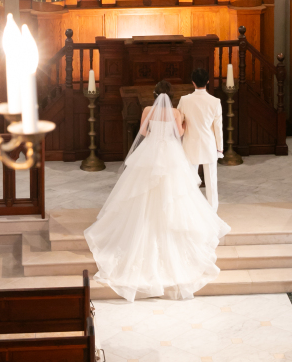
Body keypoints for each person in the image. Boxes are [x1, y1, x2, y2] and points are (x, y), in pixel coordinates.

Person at [84, 81, 229, 301]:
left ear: (155, 94)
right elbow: (180, 133)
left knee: (141, 191)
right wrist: (181, 126)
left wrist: (154, 131)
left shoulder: (146, 110)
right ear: (171, 96)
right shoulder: (176, 112)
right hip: (171, 153)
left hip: (150, 151)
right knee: (175, 194)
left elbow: (142, 131)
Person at [177, 68, 224, 212]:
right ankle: (212, 211)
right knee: (211, 181)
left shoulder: (185, 100)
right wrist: (220, 148)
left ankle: (192, 210)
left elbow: (179, 121)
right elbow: (218, 128)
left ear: (193, 82)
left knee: (190, 180)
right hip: (209, 144)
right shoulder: (215, 101)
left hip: (190, 144)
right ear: (208, 81)